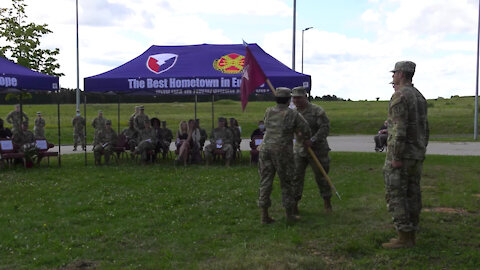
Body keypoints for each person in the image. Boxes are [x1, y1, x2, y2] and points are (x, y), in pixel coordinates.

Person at [382, 61, 429, 249]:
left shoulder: (400, 95)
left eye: (394, 73)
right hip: (416, 153)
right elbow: (424, 128)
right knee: (413, 193)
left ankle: (404, 237)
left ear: (401, 74)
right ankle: (412, 231)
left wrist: (395, 157)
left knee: (396, 194)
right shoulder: (419, 96)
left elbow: (400, 129)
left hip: (403, 154)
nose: (393, 77)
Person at [257, 87, 310, 224]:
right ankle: (289, 214)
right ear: (288, 100)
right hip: (282, 151)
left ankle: (264, 215)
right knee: (287, 182)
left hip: (265, 149)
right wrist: (300, 134)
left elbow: (267, 126)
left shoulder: (268, 111)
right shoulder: (292, 114)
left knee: (265, 181)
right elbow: (305, 129)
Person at [291, 86, 333, 215]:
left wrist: (313, 140)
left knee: (321, 176)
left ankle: (327, 202)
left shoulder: (317, 111)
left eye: (299, 98)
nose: (296, 100)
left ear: (305, 97)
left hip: (317, 149)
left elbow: (325, 128)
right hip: (299, 150)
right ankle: (294, 204)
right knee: (296, 177)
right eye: (294, 98)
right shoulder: (292, 112)